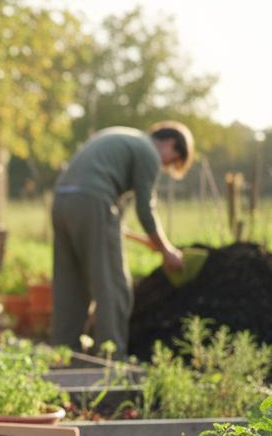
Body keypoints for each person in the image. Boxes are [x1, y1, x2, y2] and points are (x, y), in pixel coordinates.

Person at [50, 122, 195, 355]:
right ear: (170, 143)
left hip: (63, 201)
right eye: (172, 159)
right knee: (113, 286)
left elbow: (116, 211)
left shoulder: (124, 138)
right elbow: (146, 210)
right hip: (92, 201)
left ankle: (65, 353)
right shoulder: (149, 152)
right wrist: (167, 251)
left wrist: (140, 237)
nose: (166, 165)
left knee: (70, 283)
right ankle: (110, 359)